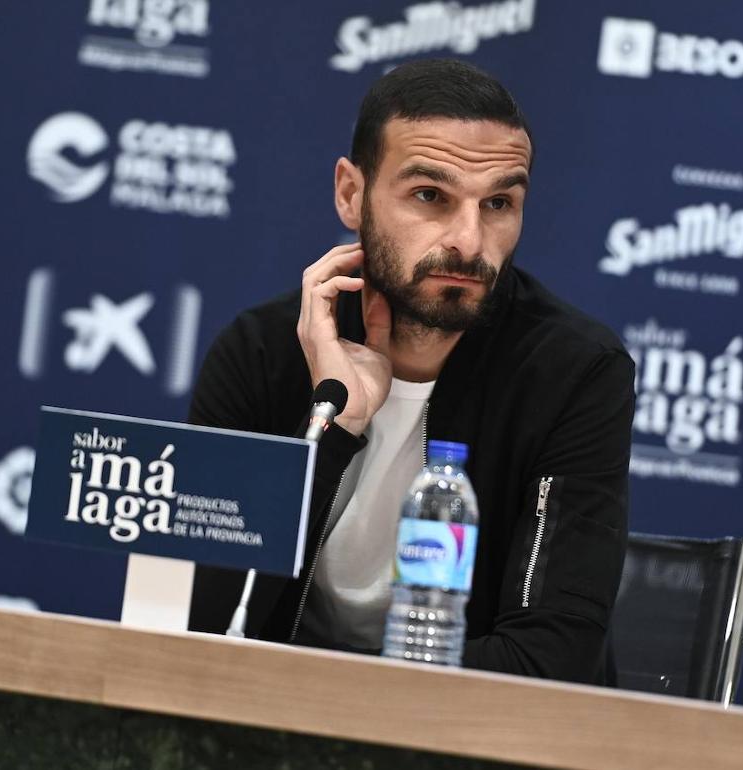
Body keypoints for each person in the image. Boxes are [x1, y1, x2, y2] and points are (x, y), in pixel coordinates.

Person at [188, 58, 634, 685]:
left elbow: (549, 663)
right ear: (352, 193)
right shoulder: (260, 353)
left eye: (499, 203)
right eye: (431, 196)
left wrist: (322, 689)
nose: (470, 242)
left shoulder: (573, 373)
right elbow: (200, 626)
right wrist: (335, 424)